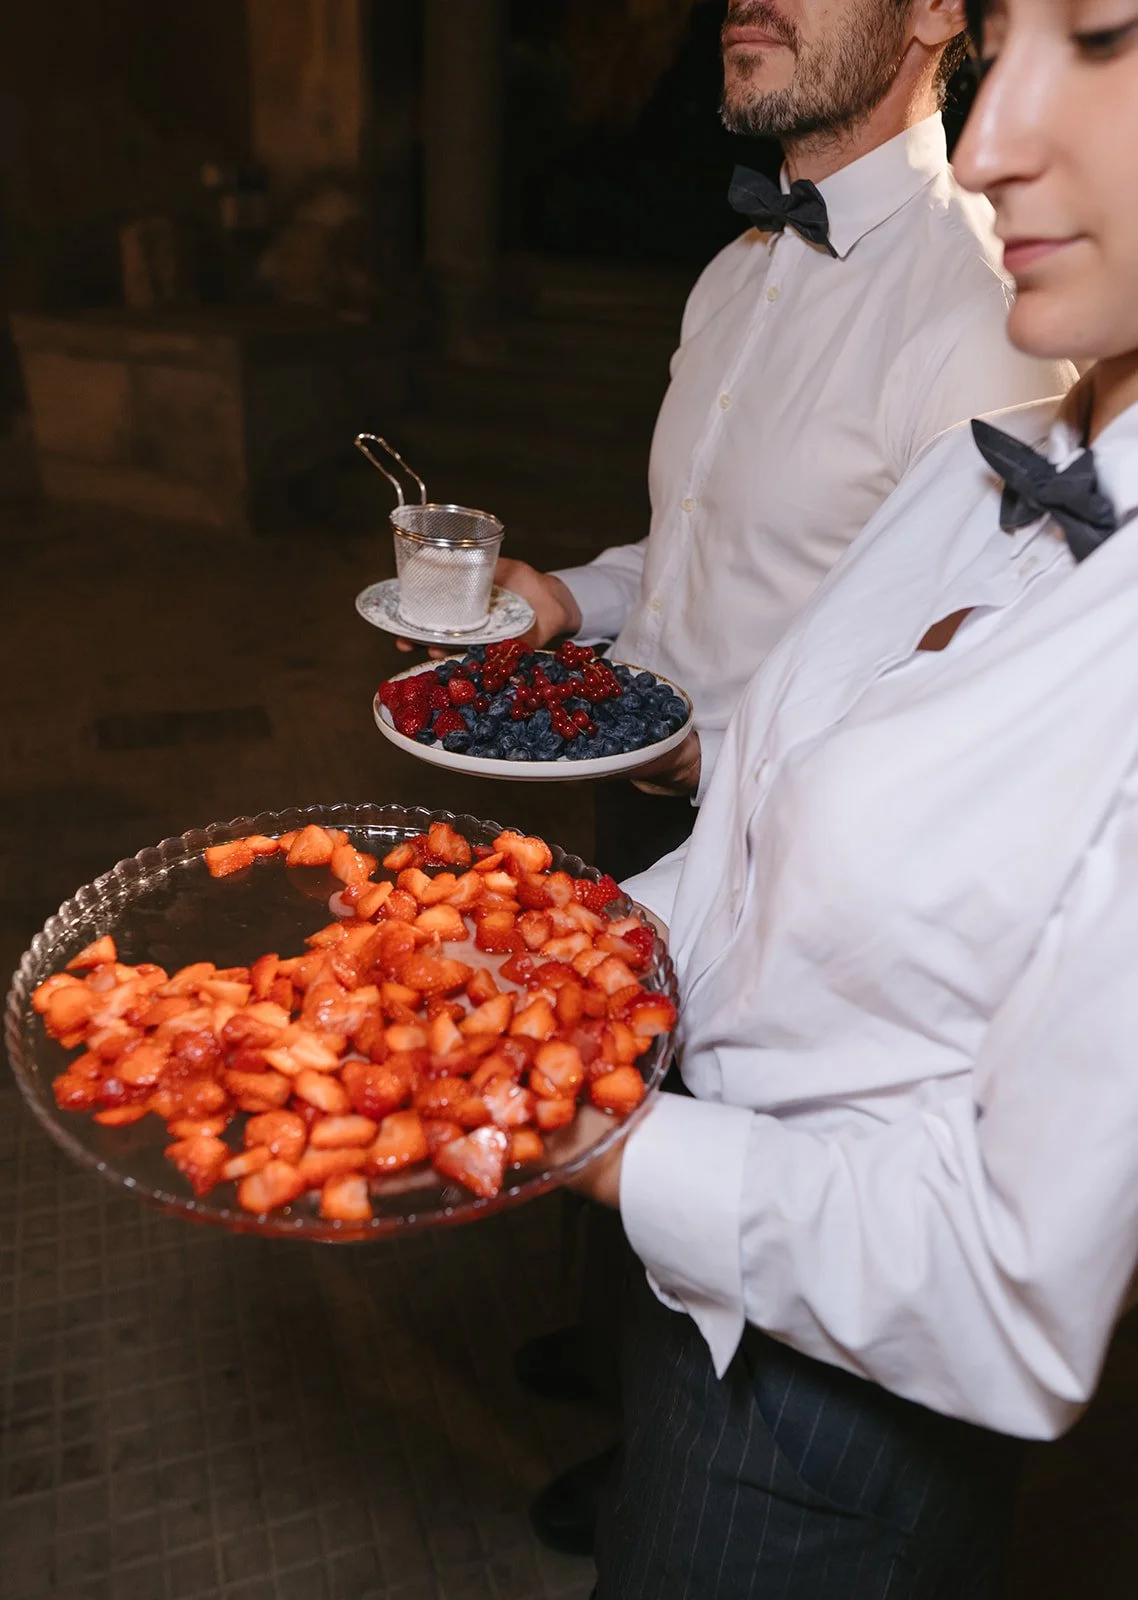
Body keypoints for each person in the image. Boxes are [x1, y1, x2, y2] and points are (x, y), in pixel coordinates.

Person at [569, 0, 1138, 1590]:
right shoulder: (1001, 455)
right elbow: (754, 824)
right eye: (1009, 48)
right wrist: (524, 968)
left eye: (1101, 38)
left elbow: (1011, 1297)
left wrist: (580, 1134)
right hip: (706, 1283)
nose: (987, 142)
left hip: (837, 1424)